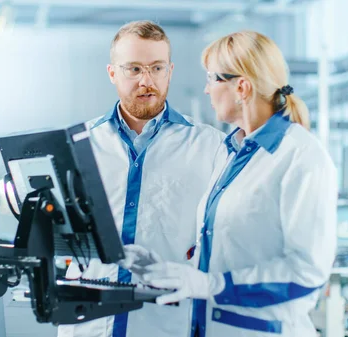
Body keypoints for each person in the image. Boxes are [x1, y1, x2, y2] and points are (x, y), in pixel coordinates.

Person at [129, 31, 338, 337]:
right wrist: (172, 269)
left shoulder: (300, 156)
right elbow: (230, 253)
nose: (206, 90)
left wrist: (210, 285)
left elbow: (306, 272)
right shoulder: (232, 154)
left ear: (241, 87)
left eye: (212, 79)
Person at [57, 21, 226, 337]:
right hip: (90, 323)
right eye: (133, 69)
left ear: (170, 71)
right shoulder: (79, 144)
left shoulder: (210, 146)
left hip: (165, 323)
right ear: (112, 73)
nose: (146, 80)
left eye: (157, 68)